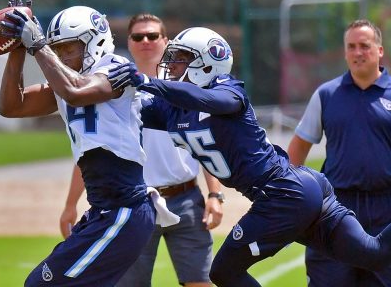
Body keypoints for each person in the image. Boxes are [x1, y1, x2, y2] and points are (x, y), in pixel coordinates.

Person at [107, 26, 391, 287]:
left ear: (207, 63)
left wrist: (148, 82)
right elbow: (126, 114)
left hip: (281, 192)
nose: (174, 65)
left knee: (223, 272)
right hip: (298, 189)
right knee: (374, 253)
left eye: (182, 57)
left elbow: (214, 102)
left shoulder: (228, 89)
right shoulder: (172, 107)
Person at [0, 0, 178, 287]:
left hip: (124, 210)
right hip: (103, 211)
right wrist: (17, 49)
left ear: (94, 41)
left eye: (68, 48)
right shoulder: (67, 79)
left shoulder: (115, 67)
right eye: (58, 49)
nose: (61, 57)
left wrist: (39, 46)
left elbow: (77, 91)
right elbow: (11, 106)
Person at [59, 13, 223, 287]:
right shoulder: (109, 88)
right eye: (138, 36)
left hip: (185, 197)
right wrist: (69, 205)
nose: (146, 41)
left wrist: (215, 194)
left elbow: (201, 143)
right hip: (135, 204)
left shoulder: (183, 88)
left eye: (153, 35)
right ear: (130, 43)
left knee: (200, 283)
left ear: (166, 41)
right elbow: (91, 151)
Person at [287, 19, 391, 286]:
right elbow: (298, 147)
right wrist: (289, 197)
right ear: (345, 52)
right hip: (336, 209)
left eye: (365, 46)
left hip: (386, 211)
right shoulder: (326, 94)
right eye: (352, 46)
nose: (358, 52)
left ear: (379, 50)